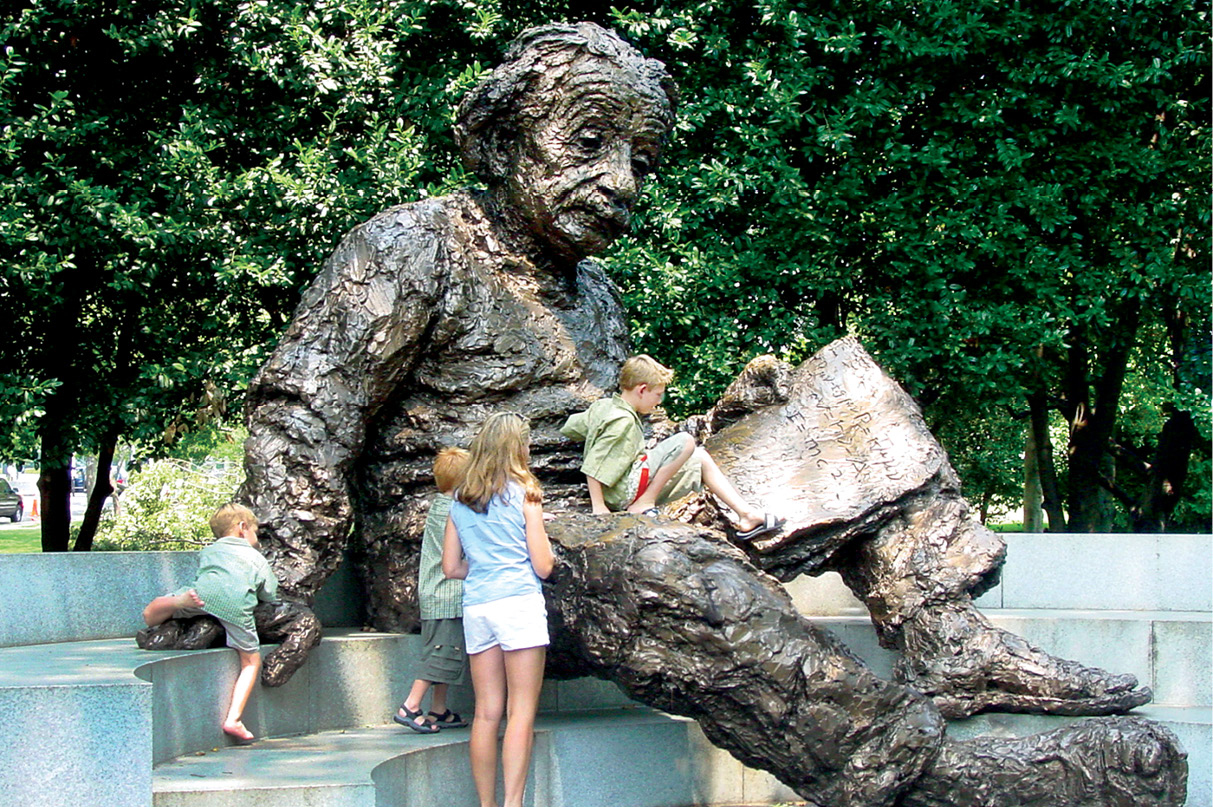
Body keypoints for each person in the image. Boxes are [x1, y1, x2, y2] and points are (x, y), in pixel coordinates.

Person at [441, 413, 554, 807]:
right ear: (517, 447)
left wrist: (487, 566)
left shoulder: (460, 497)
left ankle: (486, 804)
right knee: (520, 713)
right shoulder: (526, 491)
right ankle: (513, 804)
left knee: (487, 714)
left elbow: (451, 567)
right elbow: (543, 566)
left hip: (478, 608)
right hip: (518, 603)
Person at [562, 354, 783, 539]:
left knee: (700, 456)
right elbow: (594, 465)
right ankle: (645, 502)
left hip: (624, 483)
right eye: (657, 395)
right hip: (622, 493)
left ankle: (746, 515)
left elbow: (572, 426)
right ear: (641, 390)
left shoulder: (603, 407)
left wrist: (595, 428)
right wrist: (599, 507)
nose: (658, 401)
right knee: (686, 441)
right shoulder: (623, 421)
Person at [141, 502, 278, 743]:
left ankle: (174, 603)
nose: (257, 537)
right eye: (255, 531)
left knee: (157, 611)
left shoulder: (209, 551)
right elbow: (269, 593)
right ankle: (234, 719)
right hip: (235, 605)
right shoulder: (254, 557)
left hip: (201, 596)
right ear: (242, 528)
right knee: (250, 661)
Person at [394, 446, 472, 734]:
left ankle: (438, 710)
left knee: (448, 651)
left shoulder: (441, 504)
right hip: (445, 594)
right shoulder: (455, 510)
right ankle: (410, 706)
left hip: (437, 594)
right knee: (442, 653)